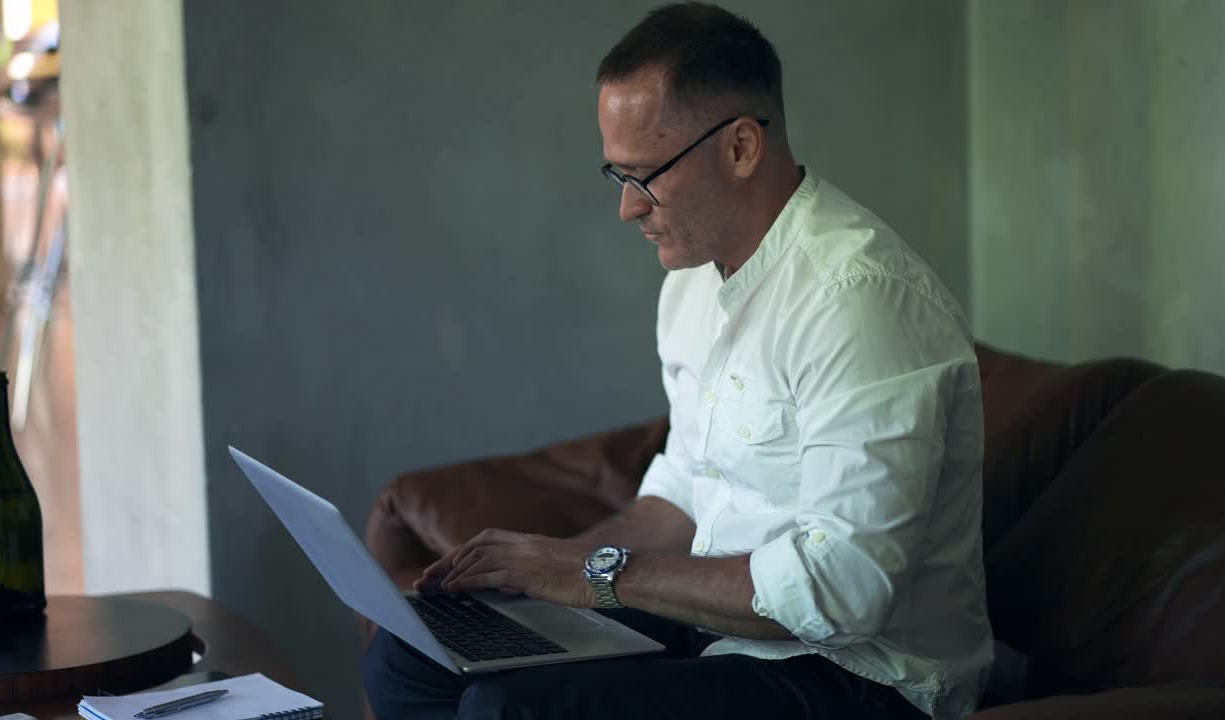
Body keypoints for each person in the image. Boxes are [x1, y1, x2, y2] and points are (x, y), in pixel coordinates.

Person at [364, 4, 992, 719]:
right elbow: (684, 494)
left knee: (507, 709)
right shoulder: (691, 284)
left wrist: (595, 575)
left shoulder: (861, 301)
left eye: (645, 175)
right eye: (616, 174)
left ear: (741, 148)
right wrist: (535, 571)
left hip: (861, 675)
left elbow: (842, 590)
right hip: (718, 634)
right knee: (410, 652)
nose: (628, 209)